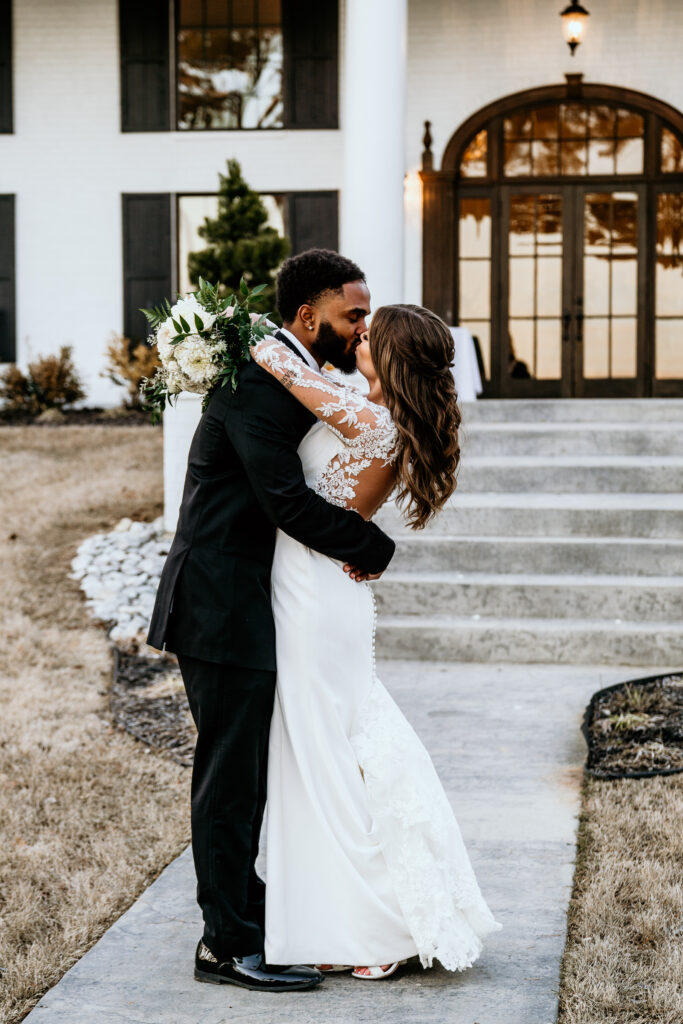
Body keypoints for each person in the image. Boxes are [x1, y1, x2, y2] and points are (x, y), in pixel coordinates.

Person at [146, 249, 397, 992]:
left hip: (251, 599)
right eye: (352, 315)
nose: (361, 330)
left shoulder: (287, 369)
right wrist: (372, 547)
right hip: (221, 602)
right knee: (230, 780)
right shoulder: (261, 379)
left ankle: (258, 923)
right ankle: (225, 946)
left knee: (249, 774)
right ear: (305, 315)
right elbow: (283, 500)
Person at [251, 301, 503, 979]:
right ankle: (348, 913)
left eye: (369, 333)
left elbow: (272, 358)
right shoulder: (368, 409)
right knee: (331, 746)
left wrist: (221, 327)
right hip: (326, 584)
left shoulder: (366, 417)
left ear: (391, 355)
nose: (357, 335)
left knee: (320, 753)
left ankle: (374, 926)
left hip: (314, 591)